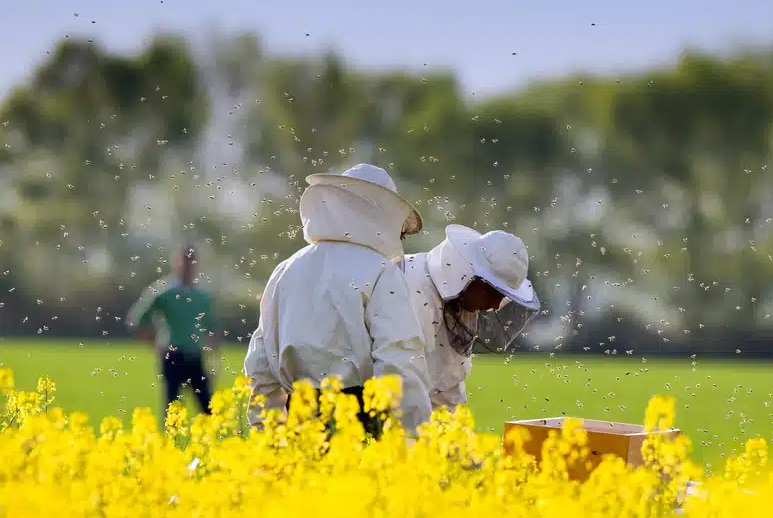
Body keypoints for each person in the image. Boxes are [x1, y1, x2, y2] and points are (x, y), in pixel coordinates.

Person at [242, 163, 433, 439]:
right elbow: (399, 359)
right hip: (360, 422)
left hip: (299, 421)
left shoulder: (286, 269)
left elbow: (260, 362)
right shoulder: (381, 271)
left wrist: (269, 432)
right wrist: (411, 439)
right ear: (383, 216)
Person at [399, 224, 540, 411]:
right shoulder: (412, 288)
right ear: (473, 277)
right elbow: (402, 386)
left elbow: (448, 389)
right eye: (494, 293)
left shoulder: (462, 305)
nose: (496, 306)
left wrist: (460, 434)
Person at [127, 242, 220, 418]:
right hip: (172, 355)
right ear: (176, 262)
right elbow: (138, 319)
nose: (188, 265)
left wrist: (215, 361)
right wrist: (154, 345)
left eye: (192, 261)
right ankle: (170, 445)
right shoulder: (163, 291)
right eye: (185, 260)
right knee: (172, 409)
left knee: (209, 409)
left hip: (195, 356)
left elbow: (210, 330)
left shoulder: (202, 295)